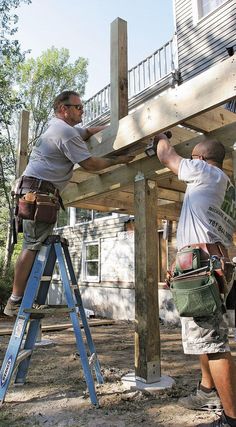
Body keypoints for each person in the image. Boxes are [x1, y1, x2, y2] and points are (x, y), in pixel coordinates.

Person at [4, 90, 134, 317]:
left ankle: (22, 298)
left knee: (34, 245)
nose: (82, 110)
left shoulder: (62, 129)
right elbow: (90, 164)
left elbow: (87, 132)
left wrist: (117, 127)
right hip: (38, 193)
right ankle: (14, 301)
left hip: (36, 191)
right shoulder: (64, 132)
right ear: (64, 109)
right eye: (78, 107)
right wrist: (119, 160)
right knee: (32, 245)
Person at [156, 133, 236, 427]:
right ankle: (207, 390)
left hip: (202, 267)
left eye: (193, 155)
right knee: (208, 336)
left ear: (201, 159)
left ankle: (230, 418)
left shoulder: (203, 171)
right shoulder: (227, 188)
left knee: (214, 343)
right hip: (211, 263)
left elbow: (166, 156)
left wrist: (161, 138)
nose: (189, 159)